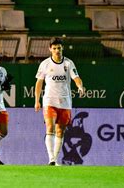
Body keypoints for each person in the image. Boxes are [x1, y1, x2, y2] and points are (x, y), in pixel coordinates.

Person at [34, 37, 86, 166]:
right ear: (50, 49)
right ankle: (51, 158)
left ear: (62, 48)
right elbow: (39, 83)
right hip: (49, 100)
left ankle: (55, 159)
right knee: (50, 127)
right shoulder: (45, 64)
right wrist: (37, 100)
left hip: (65, 101)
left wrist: (80, 86)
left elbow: (77, 78)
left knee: (60, 131)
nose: (57, 50)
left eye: (59, 48)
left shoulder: (68, 63)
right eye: (54, 48)